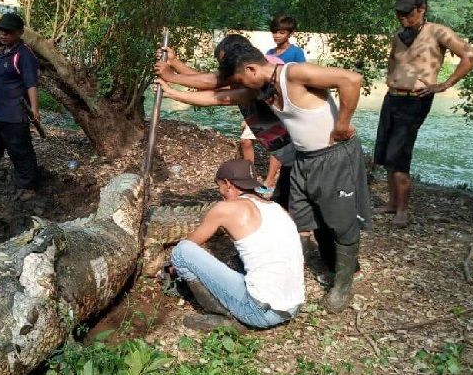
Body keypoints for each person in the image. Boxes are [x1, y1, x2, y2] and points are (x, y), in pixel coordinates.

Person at [156, 44, 372, 313]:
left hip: (334, 156)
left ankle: (344, 285)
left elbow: (351, 79)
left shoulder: (293, 74)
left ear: (250, 69)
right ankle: (286, 271)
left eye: (240, 79)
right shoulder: (262, 88)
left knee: (340, 221)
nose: (239, 85)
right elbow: (217, 96)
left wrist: (342, 124)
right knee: (299, 217)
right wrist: (173, 90)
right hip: (303, 159)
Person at [374, 0, 473, 227]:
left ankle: (403, 211)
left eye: (407, 13)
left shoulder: (437, 31)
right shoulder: (398, 36)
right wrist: (391, 79)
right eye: (399, 13)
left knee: (400, 154)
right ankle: (392, 203)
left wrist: (444, 84)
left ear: (422, 9)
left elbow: (471, 55)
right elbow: (392, 60)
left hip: (415, 100)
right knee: (387, 152)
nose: (402, 17)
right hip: (392, 98)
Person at [154, 34, 293, 208]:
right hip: (291, 158)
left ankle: (271, 184)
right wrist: (174, 70)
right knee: (286, 206)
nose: (225, 70)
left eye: (226, 63)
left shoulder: (266, 76)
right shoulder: (244, 81)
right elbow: (211, 86)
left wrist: (172, 77)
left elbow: (213, 85)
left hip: (303, 156)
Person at [169, 159, 304, 329]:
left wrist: (174, 267)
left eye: (219, 185)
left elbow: (191, 245)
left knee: (181, 252)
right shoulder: (277, 208)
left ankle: (222, 316)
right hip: (292, 307)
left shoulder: (225, 208)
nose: (220, 191)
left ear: (227, 184)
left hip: (259, 313)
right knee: (239, 258)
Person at [0, 12, 42, 202]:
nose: (3, 34)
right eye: (1, 30)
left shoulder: (24, 55)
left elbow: (31, 84)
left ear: (20, 33)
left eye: (8, 32)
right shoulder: (6, 52)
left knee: (20, 150)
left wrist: (35, 109)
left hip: (14, 115)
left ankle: (28, 186)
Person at [260, 15, 306, 196]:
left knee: (280, 142)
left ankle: (270, 181)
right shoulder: (269, 54)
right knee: (272, 140)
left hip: (289, 105)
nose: (277, 36)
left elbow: (303, 77)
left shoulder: (296, 53)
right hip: (271, 103)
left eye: (281, 32)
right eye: (274, 32)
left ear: (290, 33)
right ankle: (276, 180)